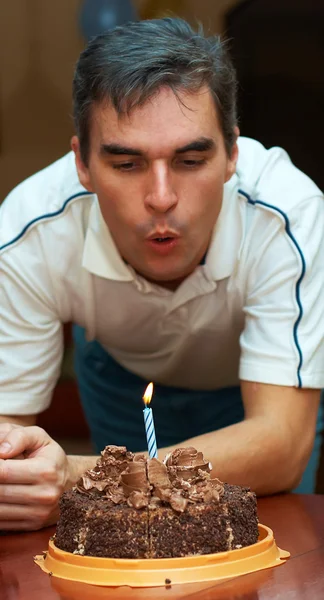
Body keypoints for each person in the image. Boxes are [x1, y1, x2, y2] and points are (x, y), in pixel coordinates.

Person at [0, 18, 323, 532]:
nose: (162, 197)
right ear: (82, 163)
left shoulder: (288, 215)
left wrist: (81, 476)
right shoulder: (30, 230)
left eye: (191, 159)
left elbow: (280, 445)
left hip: (260, 397)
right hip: (121, 378)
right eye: (126, 164)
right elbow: (8, 448)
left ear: (232, 155)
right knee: (126, 539)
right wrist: (25, 475)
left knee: (268, 547)